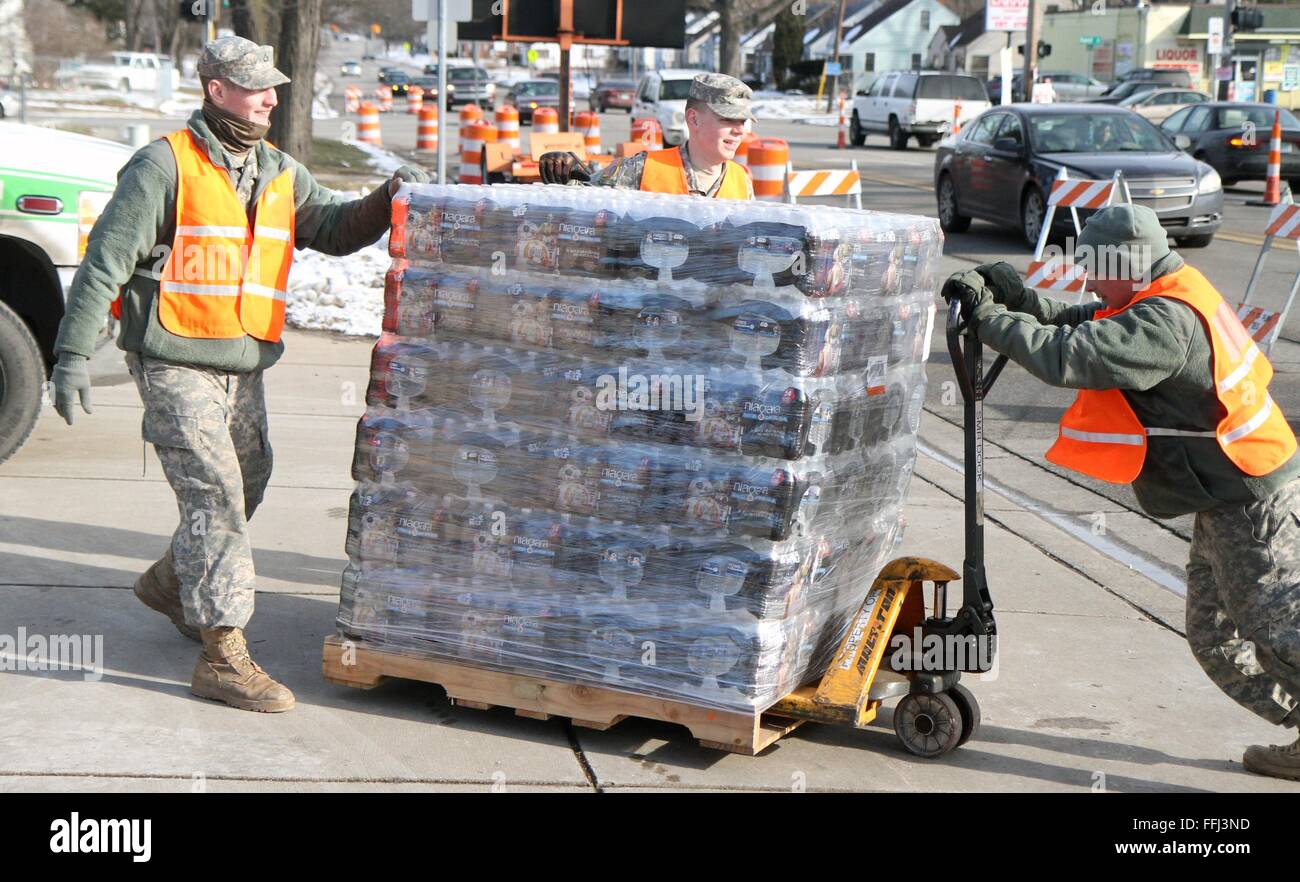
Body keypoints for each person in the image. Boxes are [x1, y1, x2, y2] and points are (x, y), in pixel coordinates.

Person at [49, 36, 430, 714]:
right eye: (256, 87)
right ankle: (223, 654)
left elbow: (335, 229)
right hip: (170, 357)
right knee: (217, 491)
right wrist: (73, 353)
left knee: (249, 478)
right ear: (215, 90)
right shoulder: (163, 166)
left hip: (239, 361)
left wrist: (387, 196)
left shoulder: (280, 171)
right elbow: (106, 258)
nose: (270, 98)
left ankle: (173, 584)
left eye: (273, 88)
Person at [942, 203, 1300, 781]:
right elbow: (1085, 320)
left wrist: (988, 319)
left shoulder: (1166, 321)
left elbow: (1070, 355)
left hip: (1252, 498)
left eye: (1094, 267)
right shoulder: (1159, 289)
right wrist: (1023, 302)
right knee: (1214, 638)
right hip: (1224, 494)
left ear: (1127, 263)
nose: (1087, 280)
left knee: (1279, 632)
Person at [538, 72, 754, 199]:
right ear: (694, 119)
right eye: (727, 120)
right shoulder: (641, 169)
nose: (739, 130)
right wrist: (564, 172)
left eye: (742, 121)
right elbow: (585, 201)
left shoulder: (742, 182)